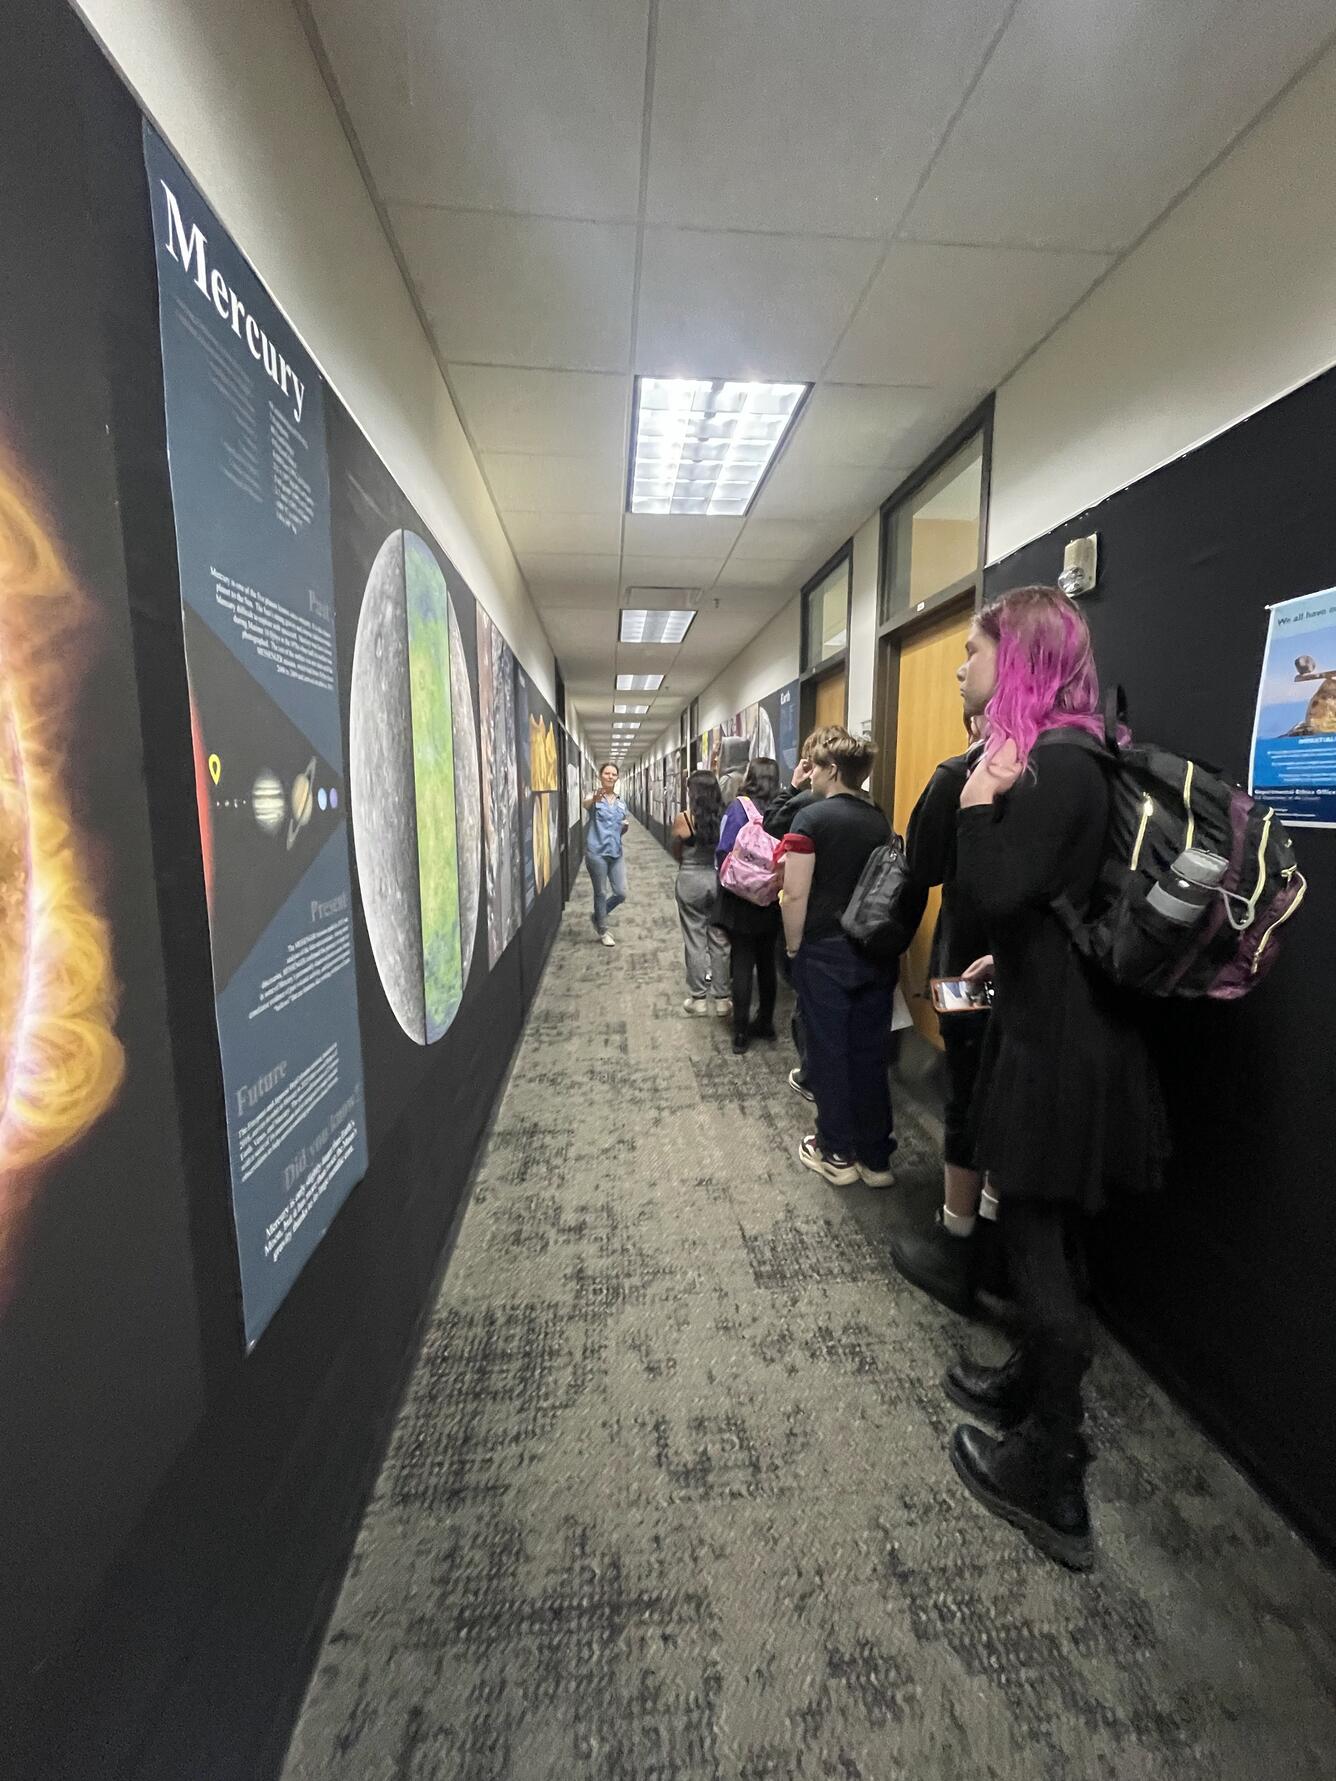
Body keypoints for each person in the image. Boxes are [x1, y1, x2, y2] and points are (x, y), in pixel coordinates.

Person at [944, 584, 1166, 1571]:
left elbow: (991, 884)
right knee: (1047, 1233)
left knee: (1037, 1244)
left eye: (972, 652)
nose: (960, 669)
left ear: (1018, 659)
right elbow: (1042, 903)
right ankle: (1029, 1386)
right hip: (1056, 1028)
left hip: (1056, 1056)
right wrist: (1012, 955)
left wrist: (973, 804)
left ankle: (1052, 1469)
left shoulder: (1054, 768)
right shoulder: (1076, 759)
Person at [887, 717, 995, 1316]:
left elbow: (920, 862)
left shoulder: (960, 773)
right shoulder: (1066, 767)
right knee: (1004, 1087)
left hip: (964, 967)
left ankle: (957, 1237)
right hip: (1032, 971)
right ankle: (996, 1235)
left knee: (965, 1089)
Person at [777, 730, 897, 1189]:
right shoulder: (878, 817)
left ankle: (836, 1152)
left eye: (816, 765)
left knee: (829, 1052)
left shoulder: (809, 819)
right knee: (870, 1054)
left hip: (825, 950)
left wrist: (792, 947)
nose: (811, 771)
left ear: (831, 771)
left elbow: (795, 893)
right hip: (874, 950)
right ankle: (876, 1158)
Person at [764, 725, 843, 1101]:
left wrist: (793, 786)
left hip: (813, 916)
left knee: (808, 1003)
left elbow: (770, 824)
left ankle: (813, 1076)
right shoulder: (866, 806)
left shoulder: (807, 806)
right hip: (850, 919)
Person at [715, 756, 782, 1054]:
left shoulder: (739, 807)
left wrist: (731, 879)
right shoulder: (784, 809)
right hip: (770, 897)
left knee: (742, 961)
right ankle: (765, 1022)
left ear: (750, 776)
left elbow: (723, 849)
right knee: (768, 962)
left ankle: (740, 1032)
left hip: (739, 897)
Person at [671, 771, 731, 1019]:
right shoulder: (725, 816)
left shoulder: (684, 819)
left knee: (694, 939)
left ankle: (698, 999)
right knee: (720, 938)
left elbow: (676, 851)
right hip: (717, 879)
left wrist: (687, 865)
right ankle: (722, 999)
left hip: (690, 879)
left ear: (692, 792)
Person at [584, 762, 628, 947]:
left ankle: (597, 916)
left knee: (621, 892)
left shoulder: (621, 803)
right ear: (600, 776)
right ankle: (603, 929)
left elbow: (621, 828)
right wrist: (595, 797)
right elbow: (586, 804)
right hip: (596, 853)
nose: (610, 776)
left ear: (617, 777)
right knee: (600, 892)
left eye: (613, 774)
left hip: (616, 852)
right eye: (607, 773)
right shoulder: (594, 798)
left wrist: (624, 828)